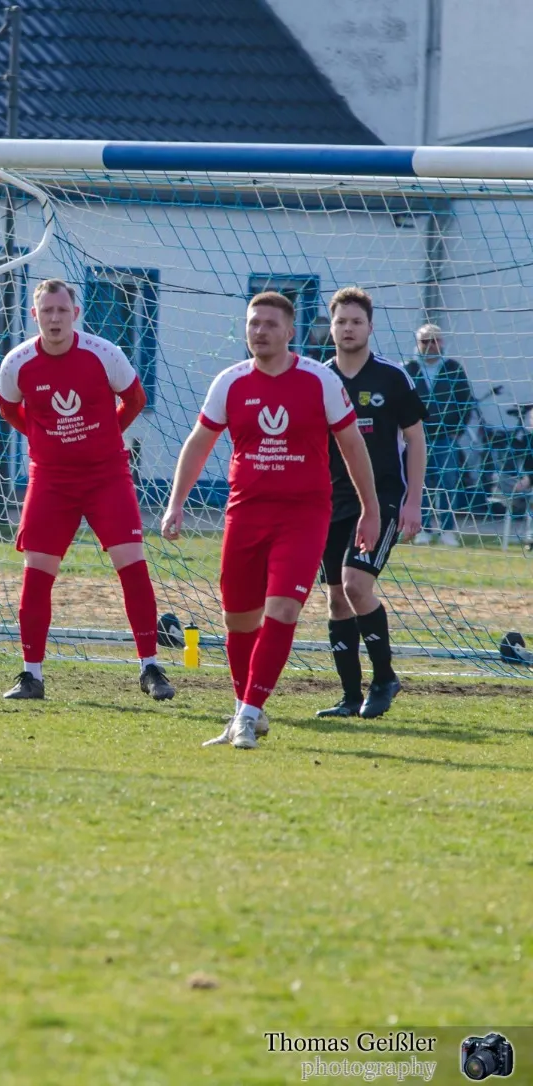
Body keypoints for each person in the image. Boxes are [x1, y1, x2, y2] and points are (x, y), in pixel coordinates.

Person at [162, 292, 380, 750]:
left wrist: (370, 508)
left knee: (282, 610)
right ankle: (249, 709)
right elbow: (199, 442)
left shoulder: (319, 380)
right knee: (239, 621)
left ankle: (244, 716)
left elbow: (352, 445)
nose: (260, 331)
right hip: (245, 515)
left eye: (270, 324)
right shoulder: (229, 382)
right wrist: (176, 502)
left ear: (290, 332)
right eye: (253, 323)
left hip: (303, 516)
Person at [0, 280, 173, 703]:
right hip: (50, 480)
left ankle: (150, 667)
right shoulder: (17, 362)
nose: (55, 318)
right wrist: (42, 437)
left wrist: (106, 435)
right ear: (34, 315)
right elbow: (8, 408)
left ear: (75, 313)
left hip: (106, 476)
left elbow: (135, 399)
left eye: (62, 310)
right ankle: (31, 675)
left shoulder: (104, 353)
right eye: (47, 311)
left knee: (132, 566)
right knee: (37, 573)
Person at [314, 287, 427, 721]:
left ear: (370, 327)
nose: (348, 329)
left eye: (356, 322)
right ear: (331, 327)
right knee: (337, 600)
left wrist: (413, 501)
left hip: (382, 500)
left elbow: (415, 439)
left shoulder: (392, 377)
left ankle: (384, 680)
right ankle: (348, 696)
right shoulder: (319, 378)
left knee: (356, 585)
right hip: (331, 502)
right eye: (341, 321)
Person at [405, 323, 474, 546]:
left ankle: (447, 530)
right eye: (425, 341)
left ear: (441, 342)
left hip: (446, 437)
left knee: (448, 483)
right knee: (420, 484)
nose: (430, 345)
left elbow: (466, 401)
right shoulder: (408, 369)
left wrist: (457, 432)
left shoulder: (453, 369)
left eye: (434, 340)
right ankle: (422, 529)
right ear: (418, 344)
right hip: (416, 438)